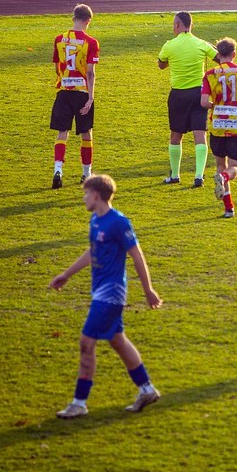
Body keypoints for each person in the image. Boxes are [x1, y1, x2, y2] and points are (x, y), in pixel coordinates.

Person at [49, 174, 163, 419]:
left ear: (96, 195)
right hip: (99, 289)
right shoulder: (95, 220)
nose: (83, 199)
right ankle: (147, 390)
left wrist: (148, 290)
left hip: (112, 293)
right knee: (117, 340)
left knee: (86, 342)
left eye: (85, 194)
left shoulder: (118, 222)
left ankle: (79, 403)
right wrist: (66, 274)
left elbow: (137, 256)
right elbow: (93, 252)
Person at [157, 11, 217, 188]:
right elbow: (219, 58)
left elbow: (161, 65)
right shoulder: (201, 44)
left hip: (178, 95)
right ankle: (198, 176)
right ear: (191, 25)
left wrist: (174, 59)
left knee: (176, 135)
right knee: (200, 134)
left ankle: (175, 175)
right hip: (198, 94)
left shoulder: (169, 45)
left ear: (177, 25)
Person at [201, 37, 237, 219]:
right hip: (236, 126)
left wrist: (216, 106)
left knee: (220, 165)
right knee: (234, 168)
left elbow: (204, 102)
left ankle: (229, 208)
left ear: (218, 54)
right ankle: (225, 178)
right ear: (234, 54)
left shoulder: (210, 74)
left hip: (217, 126)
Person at [50, 4, 98, 189]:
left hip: (63, 92)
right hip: (81, 93)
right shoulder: (91, 42)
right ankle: (86, 174)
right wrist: (90, 97)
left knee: (62, 132)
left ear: (73, 18)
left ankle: (58, 170)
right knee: (86, 133)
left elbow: (57, 67)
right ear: (88, 21)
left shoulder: (59, 39)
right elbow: (90, 73)